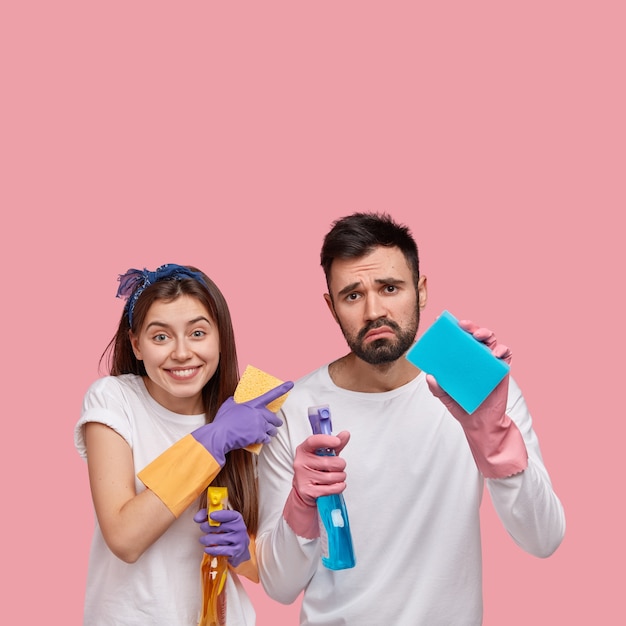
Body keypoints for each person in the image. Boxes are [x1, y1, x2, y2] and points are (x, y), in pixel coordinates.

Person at [255, 213, 566, 625]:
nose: (373, 311)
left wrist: (493, 439)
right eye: (352, 295)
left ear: (420, 291)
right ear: (331, 307)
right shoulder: (295, 407)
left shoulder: (477, 389)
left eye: (389, 288)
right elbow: (279, 587)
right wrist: (301, 504)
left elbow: (543, 539)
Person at [74, 264, 293, 625]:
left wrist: (244, 553)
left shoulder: (248, 413)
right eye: (161, 337)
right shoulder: (113, 400)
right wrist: (214, 438)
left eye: (197, 333)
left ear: (220, 337)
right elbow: (125, 537)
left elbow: (272, 575)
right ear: (136, 345)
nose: (181, 353)